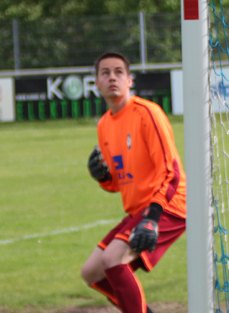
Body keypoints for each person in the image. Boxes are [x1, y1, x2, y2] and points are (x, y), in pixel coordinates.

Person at [80, 51, 186, 313]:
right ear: (96, 83)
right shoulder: (104, 124)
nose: (112, 77)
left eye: (119, 72)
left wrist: (151, 217)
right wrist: (102, 178)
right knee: (92, 272)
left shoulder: (147, 113)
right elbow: (118, 183)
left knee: (112, 259)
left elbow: (170, 172)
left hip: (169, 205)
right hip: (140, 209)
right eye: (105, 73)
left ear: (130, 80)